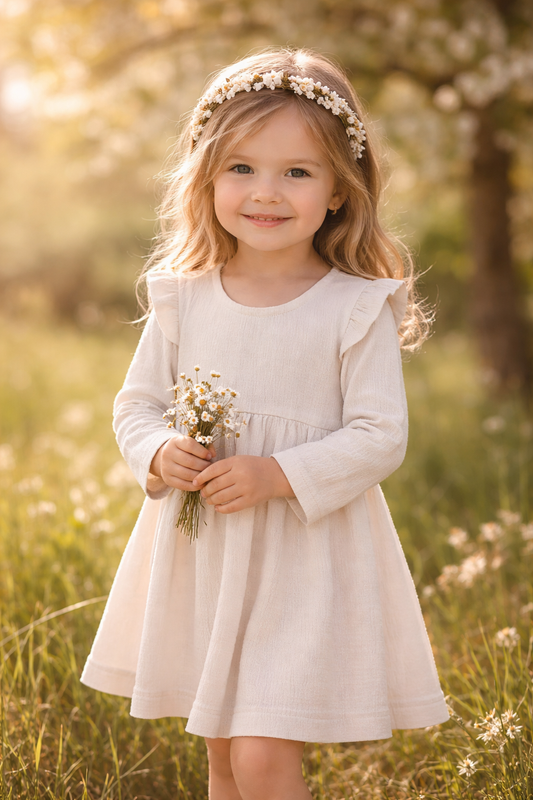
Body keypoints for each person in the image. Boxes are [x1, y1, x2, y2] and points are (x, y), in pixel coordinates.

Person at [81, 47, 449, 800]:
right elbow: (136, 405)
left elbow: (380, 434)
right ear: (206, 176)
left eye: (297, 172)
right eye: (241, 168)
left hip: (303, 562)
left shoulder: (355, 306)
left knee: (259, 757)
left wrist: (276, 473)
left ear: (339, 189)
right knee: (221, 757)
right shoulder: (185, 294)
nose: (266, 192)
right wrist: (159, 452)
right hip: (208, 555)